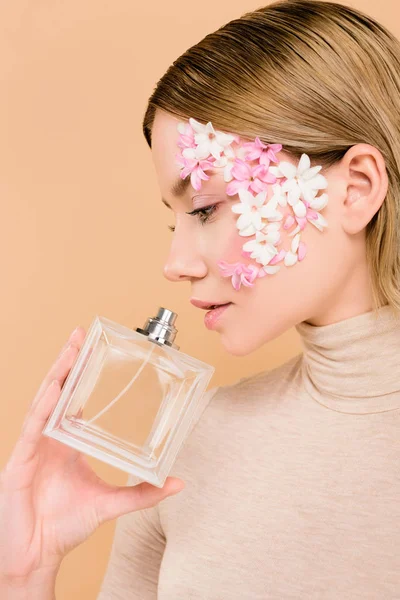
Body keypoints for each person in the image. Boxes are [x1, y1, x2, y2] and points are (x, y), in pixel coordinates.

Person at [2, 0, 400, 597]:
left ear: (356, 189)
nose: (175, 264)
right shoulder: (190, 440)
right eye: (176, 221)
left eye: (207, 208)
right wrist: (26, 572)